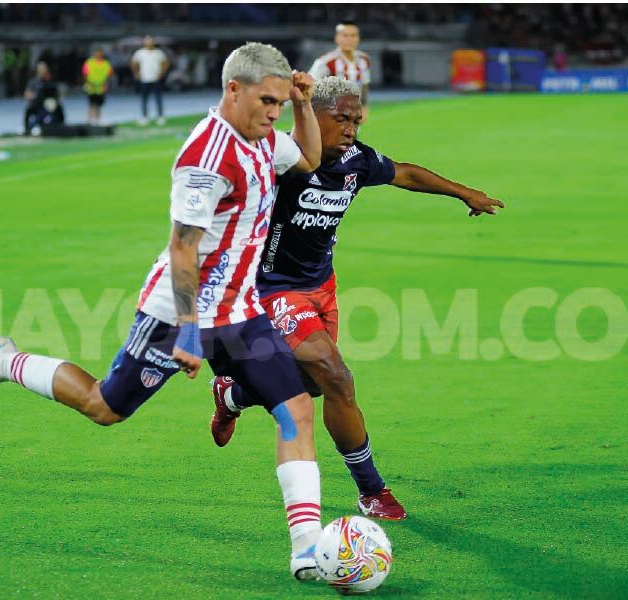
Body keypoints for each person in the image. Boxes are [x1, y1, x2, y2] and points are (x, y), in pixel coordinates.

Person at [0, 42, 325, 581]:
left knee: (296, 409)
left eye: (281, 104)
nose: (274, 113)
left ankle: (307, 548)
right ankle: (4, 361)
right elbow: (183, 248)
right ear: (232, 90)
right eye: (268, 101)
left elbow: (308, 158)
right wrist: (190, 332)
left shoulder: (264, 137)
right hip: (177, 312)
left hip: (241, 312)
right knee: (106, 407)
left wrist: (305, 107)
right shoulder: (206, 158)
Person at [209, 76, 505, 520]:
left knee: (311, 383)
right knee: (337, 377)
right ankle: (372, 490)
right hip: (273, 289)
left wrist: (463, 192)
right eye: (341, 119)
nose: (351, 128)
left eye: (357, 120)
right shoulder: (280, 160)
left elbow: (402, 172)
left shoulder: (356, 160)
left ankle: (234, 396)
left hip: (322, 287)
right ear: (313, 115)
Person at [309, 22, 372, 123]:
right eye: (345, 35)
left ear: (358, 38)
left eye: (353, 36)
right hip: (331, 114)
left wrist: (364, 106)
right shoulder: (326, 62)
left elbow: (364, 85)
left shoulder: (364, 60)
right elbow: (309, 84)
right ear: (337, 38)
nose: (349, 39)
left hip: (352, 113)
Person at [131, 36, 169, 126]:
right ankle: (144, 117)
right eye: (147, 42)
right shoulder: (140, 53)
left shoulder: (158, 52)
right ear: (144, 43)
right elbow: (133, 63)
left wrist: (162, 73)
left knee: (158, 99)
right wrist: (136, 73)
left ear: (153, 43)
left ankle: (160, 117)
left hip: (156, 79)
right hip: (145, 79)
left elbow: (165, 63)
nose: (149, 43)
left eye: (150, 42)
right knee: (144, 99)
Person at [23, 61, 65, 134]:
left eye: (44, 69)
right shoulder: (33, 82)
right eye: (41, 69)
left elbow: (58, 94)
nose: (43, 70)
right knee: (28, 110)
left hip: (49, 104)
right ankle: (27, 129)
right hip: (37, 104)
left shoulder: (51, 81)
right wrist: (34, 95)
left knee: (58, 107)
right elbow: (26, 94)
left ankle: (60, 127)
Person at [82, 48, 114, 125]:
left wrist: (106, 84)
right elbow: (85, 74)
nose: (98, 55)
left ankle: (98, 120)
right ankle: (90, 120)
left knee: (99, 105)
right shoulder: (89, 62)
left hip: (101, 87)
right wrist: (87, 83)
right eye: (96, 53)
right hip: (91, 87)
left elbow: (109, 75)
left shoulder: (106, 63)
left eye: (99, 53)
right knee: (91, 104)